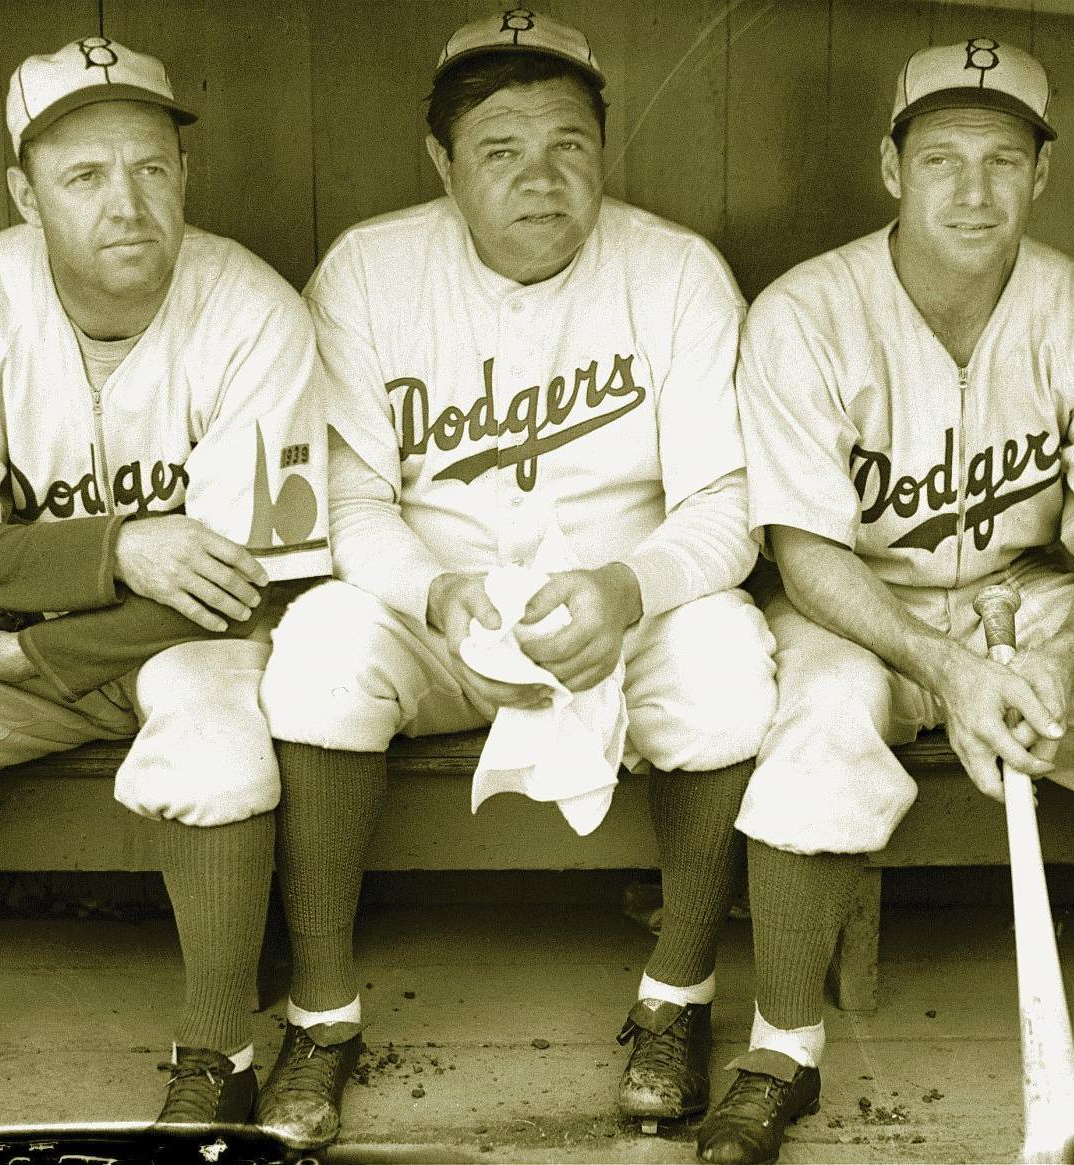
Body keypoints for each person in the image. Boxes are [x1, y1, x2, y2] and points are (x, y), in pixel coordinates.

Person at [254, 7, 778, 1150]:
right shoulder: (369, 268)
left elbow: (724, 508)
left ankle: (674, 999)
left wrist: (631, 590)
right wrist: (437, 600)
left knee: (733, 658)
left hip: (620, 611)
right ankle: (323, 1015)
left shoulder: (676, 270)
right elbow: (349, 506)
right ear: (440, 160)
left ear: (604, 147)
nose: (541, 178)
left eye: (569, 144)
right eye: (499, 149)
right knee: (320, 649)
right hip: (439, 612)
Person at [0, 37, 329, 1127]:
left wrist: (27, 645)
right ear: (24, 194)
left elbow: (254, 579)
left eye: (150, 166)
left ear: (184, 175)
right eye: (83, 175)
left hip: (175, 639)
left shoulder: (253, 308)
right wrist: (119, 546)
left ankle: (219, 1057)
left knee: (214, 720)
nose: (127, 202)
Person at [699, 38, 1073, 1165]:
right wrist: (943, 665)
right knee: (820, 715)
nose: (971, 190)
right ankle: (781, 1046)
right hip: (852, 605)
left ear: (1040, 177)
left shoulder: (1070, 307)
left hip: (1030, 598)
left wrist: (1045, 667)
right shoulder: (806, 312)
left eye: (1002, 160)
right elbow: (806, 555)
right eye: (941, 157)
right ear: (889, 166)